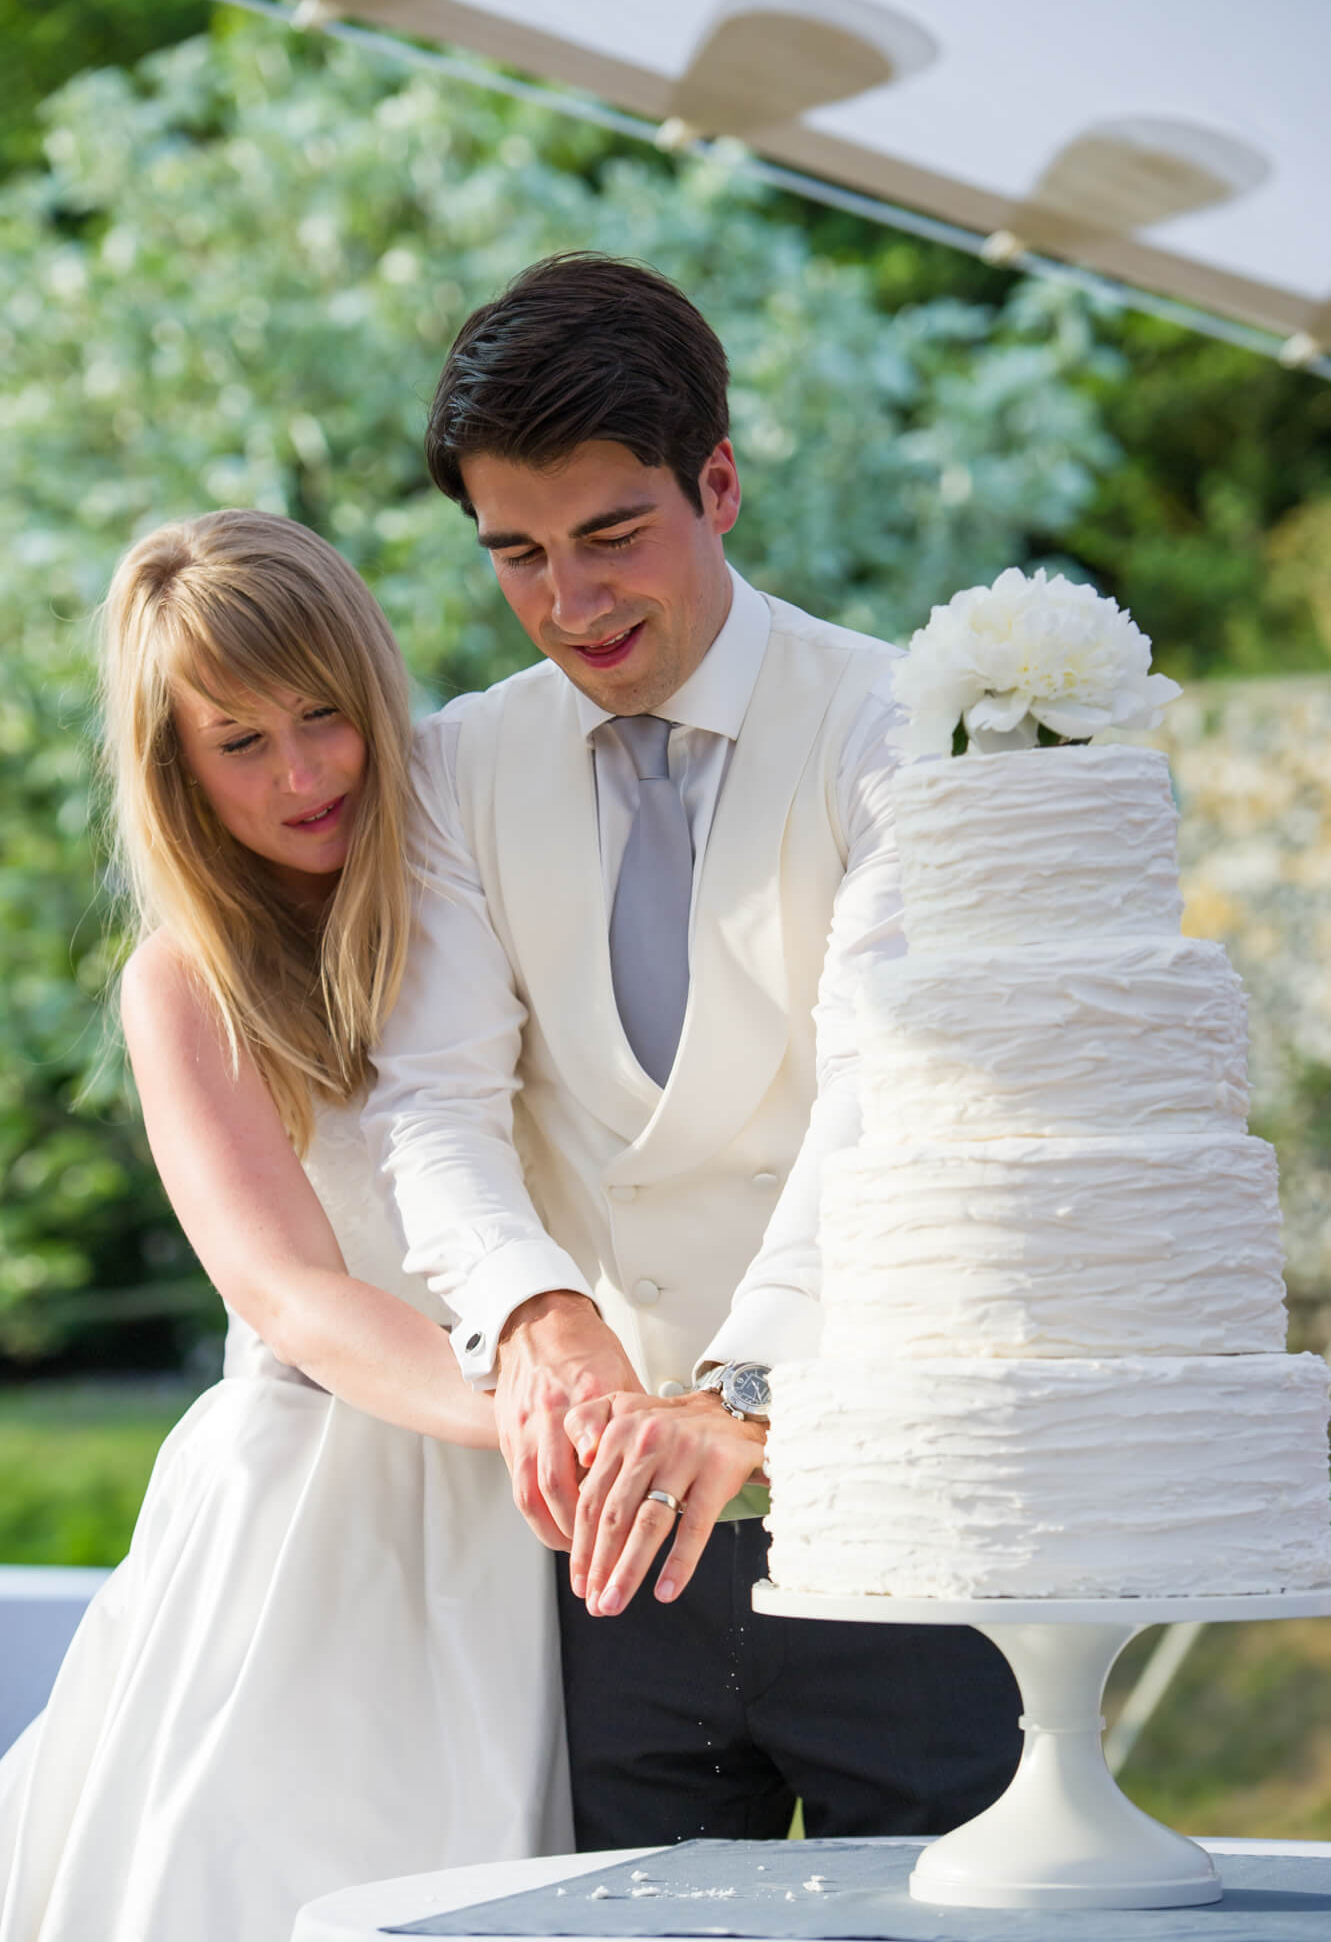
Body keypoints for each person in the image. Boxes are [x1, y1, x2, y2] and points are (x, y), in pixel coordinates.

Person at [365, 253, 1022, 1850]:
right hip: (606, 1564)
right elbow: (434, 1099)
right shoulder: (455, 764)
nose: (569, 605)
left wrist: (747, 1394)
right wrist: (536, 1315)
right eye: (515, 553)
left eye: (611, 537)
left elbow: (895, 1097)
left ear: (717, 483)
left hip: (897, 1518)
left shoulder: (906, 728)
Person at [0, 511, 569, 1942]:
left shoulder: (482, 882)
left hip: (526, 1509)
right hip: (317, 1518)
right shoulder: (185, 983)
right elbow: (293, 1291)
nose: (302, 773)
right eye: (239, 742)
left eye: (324, 717)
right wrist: (548, 1416)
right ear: (174, 764)